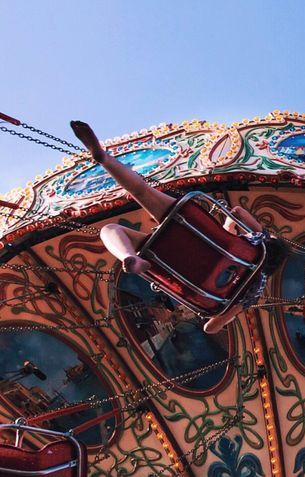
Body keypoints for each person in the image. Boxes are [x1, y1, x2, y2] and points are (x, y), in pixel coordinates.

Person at [69, 121, 289, 336]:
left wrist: (233, 226)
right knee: (110, 229)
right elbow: (210, 328)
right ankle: (131, 257)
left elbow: (238, 212)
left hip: (190, 229)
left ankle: (105, 159)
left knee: (141, 192)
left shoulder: (256, 245)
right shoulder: (252, 292)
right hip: (170, 265)